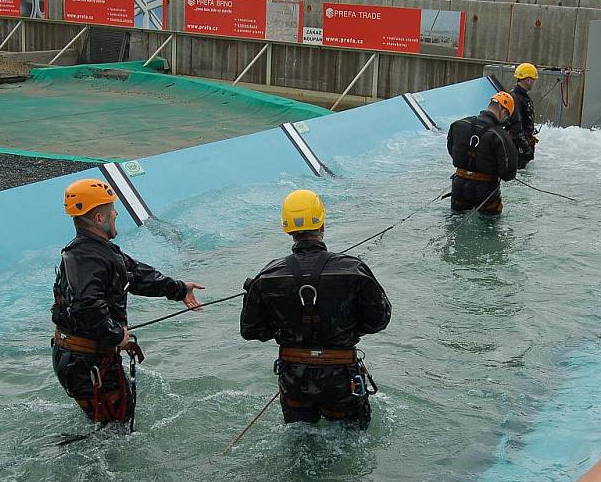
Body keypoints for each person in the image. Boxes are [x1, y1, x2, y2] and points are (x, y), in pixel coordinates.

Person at [52, 179, 204, 428]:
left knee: (104, 422)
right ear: (99, 219)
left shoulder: (96, 251)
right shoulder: (89, 258)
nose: (116, 212)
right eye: (112, 209)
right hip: (88, 362)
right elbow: (86, 306)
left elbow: (136, 275)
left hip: (80, 359)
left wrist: (178, 289)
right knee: (115, 429)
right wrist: (115, 335)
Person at [240, 189, 391, 430]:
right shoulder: (353, 269)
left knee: (300, 438)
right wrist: (346, 331)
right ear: (322, 223)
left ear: (287, 228)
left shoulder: (267, 276)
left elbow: (251, 330)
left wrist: (285, 327)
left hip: (293, 377)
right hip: (341, 375)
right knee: (350, 439)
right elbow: (379, 320)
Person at [447, 92, 518, 215]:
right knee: (490, 228)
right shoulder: (500, 136)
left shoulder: (459, 124)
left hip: (459, 185)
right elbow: (508, 173)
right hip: (486, 190)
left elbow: (451, 149)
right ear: (503, 112)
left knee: (455, 220)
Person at [508, 62, 539, 170]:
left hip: (521, 144)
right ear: (528, 79)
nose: (533, 82)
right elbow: (516, 126)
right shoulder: (516, 97)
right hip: (519, 146)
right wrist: (525, 147)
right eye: (533, 80)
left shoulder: (521, 96)